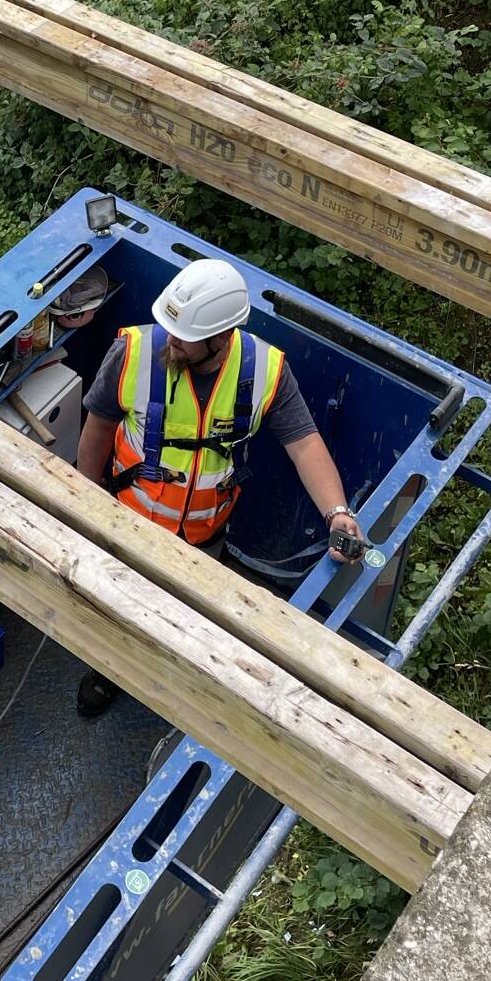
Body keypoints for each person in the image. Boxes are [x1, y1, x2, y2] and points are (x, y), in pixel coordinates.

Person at [73, 258, 362, 717]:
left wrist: (338, 513)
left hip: (205, 538)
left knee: (188, 613)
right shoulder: (133, 352)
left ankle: (174, 672)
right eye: (169, 325)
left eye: (185, 336)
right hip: (129, 524)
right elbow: (98, 427)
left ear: (222, 337)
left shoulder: (265, 371)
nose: (171, 340)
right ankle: (110, 669)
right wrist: (82, 501)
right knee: (120, 607)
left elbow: (305, 443)